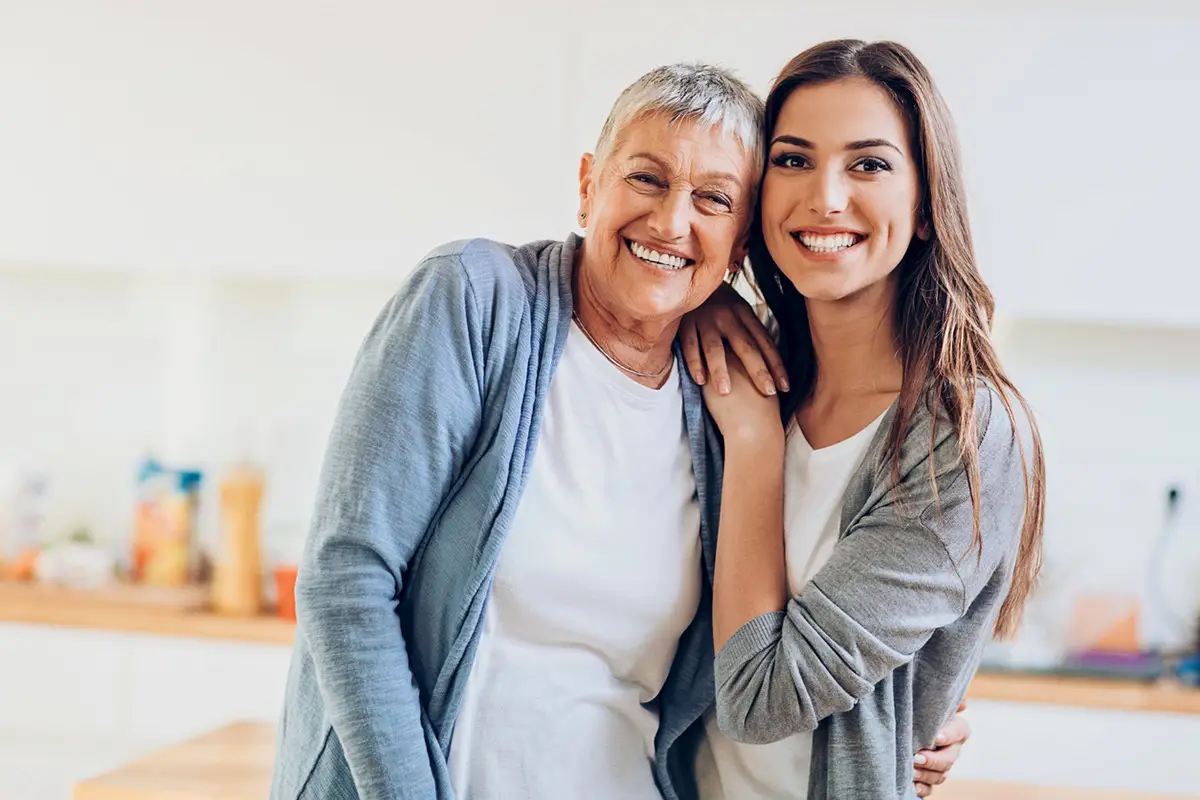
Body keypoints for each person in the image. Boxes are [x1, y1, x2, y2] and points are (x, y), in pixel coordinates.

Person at [270, 61, 965, 800]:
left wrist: (916, 708)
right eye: (647, 179)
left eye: (713, 199)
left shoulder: (736, 393)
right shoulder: (474, 303)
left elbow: (791, 616)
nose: (672, 221)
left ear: (741, 241)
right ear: (587, 185)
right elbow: (347, 584)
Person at [681, 39, 1047, 799]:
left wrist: (753, 443)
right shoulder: (733, 367)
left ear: (923, 207)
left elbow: (757, 701)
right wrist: (698, 287)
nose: (826, 197)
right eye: (792, 160)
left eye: (869, 164)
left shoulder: (964, 432)